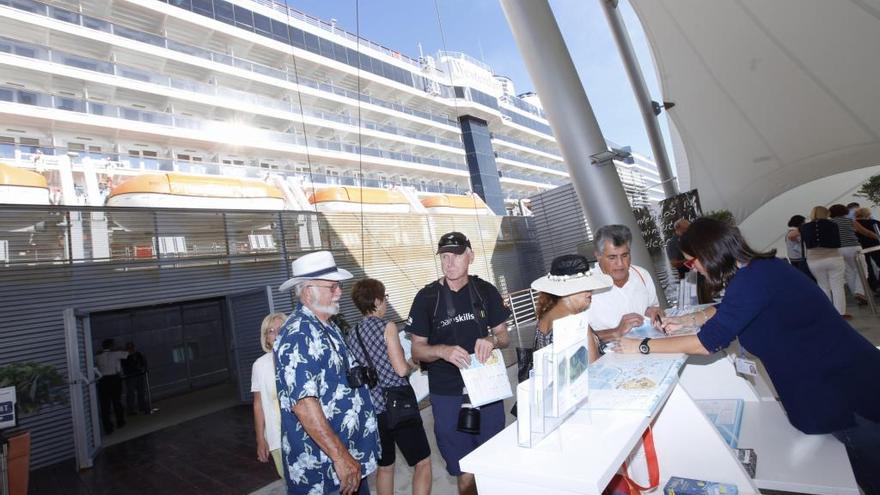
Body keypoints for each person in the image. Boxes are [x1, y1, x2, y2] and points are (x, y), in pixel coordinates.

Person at [619, 218, 880, 494]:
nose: (692, 268)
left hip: (842, 391)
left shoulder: (752, 281)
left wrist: (642, 346)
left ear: (709, 253)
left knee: (870, 472)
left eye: (691, 261)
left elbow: (706, 343)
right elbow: (734, 308)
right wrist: (692, 318)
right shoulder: (760, 271)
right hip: (837, 378)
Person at [407, 231, 511, 495]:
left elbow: (504, 336)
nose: (449, 262)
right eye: (444, 256)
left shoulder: (485, 290)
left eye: (456, 255)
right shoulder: (426, 298)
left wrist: (491, 340)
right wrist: (442, 350)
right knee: (463, 469)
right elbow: (417, 350)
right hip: (447, 394)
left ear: (471, 256)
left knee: (494, 461)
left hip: (486, 390)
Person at [275, 251, 379, 495]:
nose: (339, 292)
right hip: (325, 473)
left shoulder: (325, 326)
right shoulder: (298, 334)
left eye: (339, 286)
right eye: (332, 287)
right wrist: (341, 457)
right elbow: (303, 404)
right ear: (309, 291)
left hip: (346, 463)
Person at [347, 279, 431, 495]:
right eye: (385, 298)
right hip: (398, 406)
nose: (386, 302)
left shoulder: (352, 334)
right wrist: (413, 362)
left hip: (373, 411)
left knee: (385, 468)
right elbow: (401, 369)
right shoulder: (388, 327)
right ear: (376, 300)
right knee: (422, 463)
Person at [587, 225, 662, 344]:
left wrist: (654, 313)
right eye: (612, 257)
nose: (620, 264)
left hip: (647, 347)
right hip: (608, 357)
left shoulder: (642, 275)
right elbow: (577, 339)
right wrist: (616, 332)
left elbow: (654, 308)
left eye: (625, 255)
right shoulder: (585, 287)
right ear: (598, 256)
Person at [531, 254, 612, 362]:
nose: (590, 290)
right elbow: (594, 367)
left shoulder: (545, 316)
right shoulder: (576, 322)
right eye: (583, 286)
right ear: (567, 289)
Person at [251, 312, 287, 478]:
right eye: (271, 331)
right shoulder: (259, 366)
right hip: (276, 436)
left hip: (306, 432)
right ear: (266, 338)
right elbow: (258, 404)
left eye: (281, 329)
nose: (276, 334)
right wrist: (260, 439)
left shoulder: (301, 358)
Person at [800, 206, 848, 317]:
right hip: (834, 258)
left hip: (814, 260)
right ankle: (840, 313)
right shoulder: (832, 224)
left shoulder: (804, 227)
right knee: (837, 286)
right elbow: (838, 242)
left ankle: (828, 313)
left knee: (823, 286)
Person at [830, 204, 873, 305]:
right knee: (862, 270)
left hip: (838, 249)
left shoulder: (830, 223)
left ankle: (857, 295)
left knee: (849, 273)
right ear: (844, 211)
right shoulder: (850, 221)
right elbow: (866, 232)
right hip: (853, 247)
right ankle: (860, 292)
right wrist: (877, 236)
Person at [94, 339, 127, 434]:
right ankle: (120, 422)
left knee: (105, 404)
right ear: (111, 345)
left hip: (103, 380)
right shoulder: (116, 353)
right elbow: (127, 353)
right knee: (117, 401)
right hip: (114, 378)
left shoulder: (98, 356)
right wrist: (120, 348)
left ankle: (107, 427)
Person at [854, 207, 880, 291]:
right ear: (868, 214)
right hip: (875, 245)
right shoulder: (874, 222)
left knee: (868, 268)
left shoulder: (852, 224)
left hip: (861, 247)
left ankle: (874, 287)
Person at [122, 342, 150, 416]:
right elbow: (124, 366)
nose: (131, 349)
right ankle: (131, 410)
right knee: (131, 394)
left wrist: (144, 368)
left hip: (138, 375)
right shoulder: (125, 356)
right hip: (131, 376)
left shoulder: (138, 354)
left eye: (131, 347)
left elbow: (144, 362)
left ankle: (142, 407)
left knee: (141, 392)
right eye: (129, 348)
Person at [784, 215, 813, 280]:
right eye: (804, 222)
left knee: (801, 277)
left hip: (793, 258)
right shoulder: (795, 232)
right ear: (800, 223)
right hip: (800, 258)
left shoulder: (788, 232)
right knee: (808, 277)